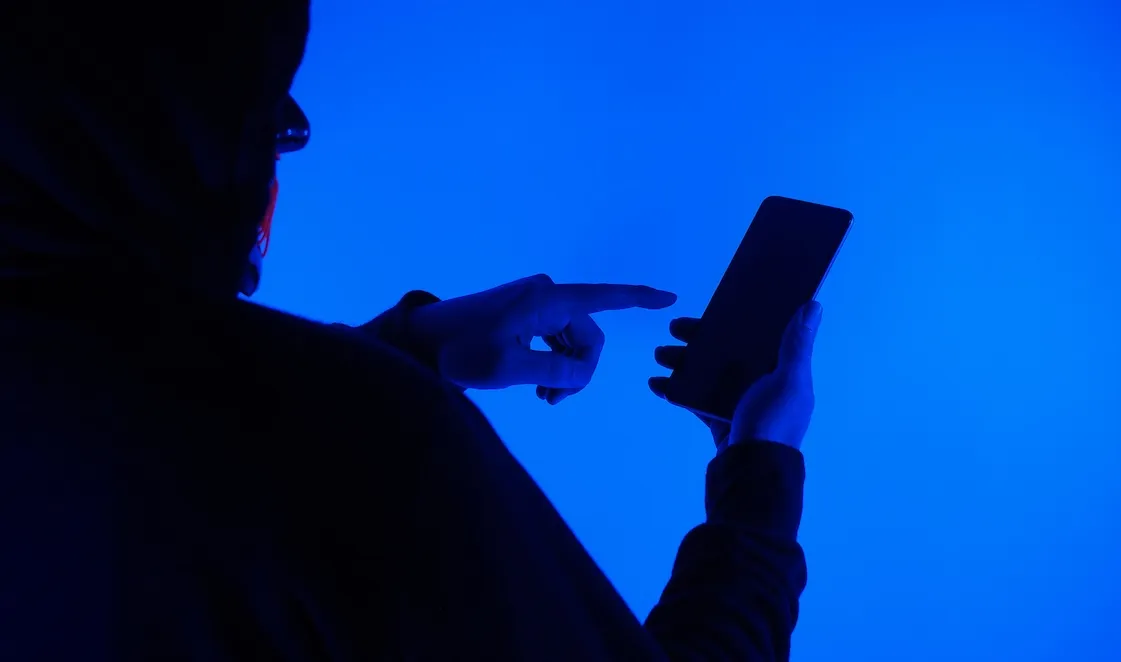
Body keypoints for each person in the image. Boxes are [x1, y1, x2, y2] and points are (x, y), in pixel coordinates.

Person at [0, 2, 823, 660]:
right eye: (259, 105)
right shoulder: (361, 449)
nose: (292, 132)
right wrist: (758, 479)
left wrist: (405, 349)